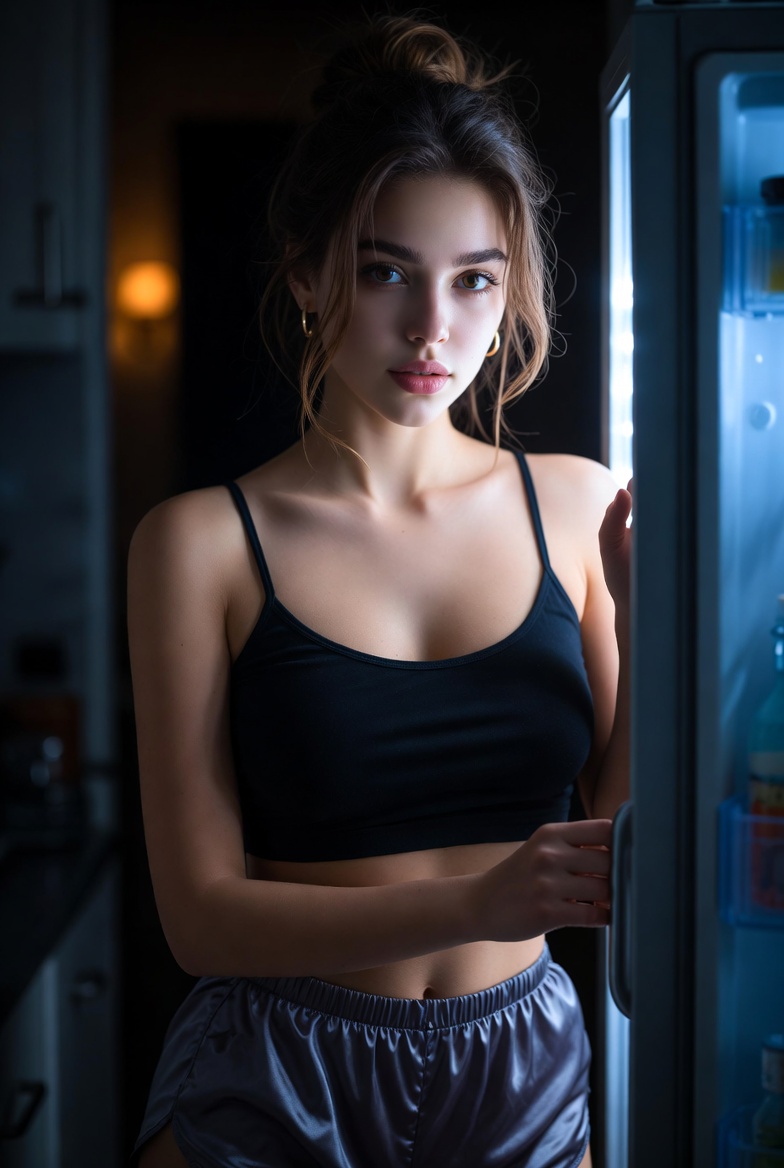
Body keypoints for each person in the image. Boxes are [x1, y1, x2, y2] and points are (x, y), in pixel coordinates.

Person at [128, 11, 632, 1168]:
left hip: (522, 1070)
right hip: (275, 1074)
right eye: (385, 271)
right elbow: (199, 918)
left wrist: (650, 631)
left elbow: (619, 836)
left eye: (473, 281)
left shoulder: (573, 504)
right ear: (306, 276)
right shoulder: (200, 545)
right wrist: (480, 900)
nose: (431, 328)